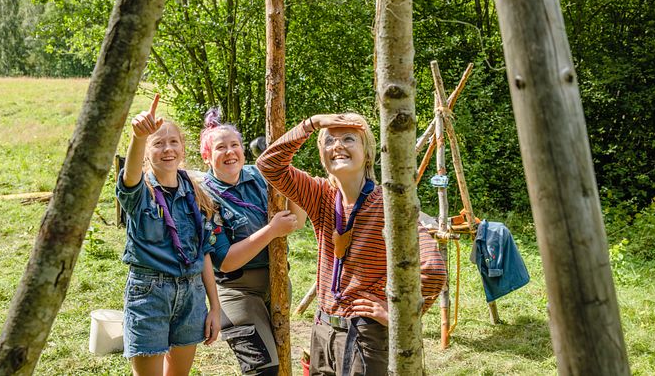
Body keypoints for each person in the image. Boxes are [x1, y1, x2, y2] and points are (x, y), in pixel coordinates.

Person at [257, 113, 448, 375]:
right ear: (323, 158)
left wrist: (396, 314)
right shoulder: (320, 195)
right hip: (323, 328)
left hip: (365, 333)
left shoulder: (389, 206)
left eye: (349, 138)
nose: (337, 145)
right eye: (329, 141)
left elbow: (434, 269)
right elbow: (269, 164)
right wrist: (312, 123)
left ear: (367, 153)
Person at [116, 94, 221, 376]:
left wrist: (215, 306)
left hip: (191, 294)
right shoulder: (140, 193)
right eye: (157, 143)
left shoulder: (197, 192)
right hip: (149, 294)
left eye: (173, 142)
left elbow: (204, 253)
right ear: (147, 152)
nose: (167, 149)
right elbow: (130, 176)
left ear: (183, 148)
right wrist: (139, 137)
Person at [199, 108, 304, 376]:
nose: (230, 152)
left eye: (235, 145)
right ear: (207, 155)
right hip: (237, 291)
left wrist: (286, 173)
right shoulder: (204, 195)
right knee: (263, 369)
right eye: (221, 147)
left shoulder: (260, 176)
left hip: (278, 281)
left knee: (280, 359)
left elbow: (297, 220)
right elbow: (225, 260)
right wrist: (271, 230)